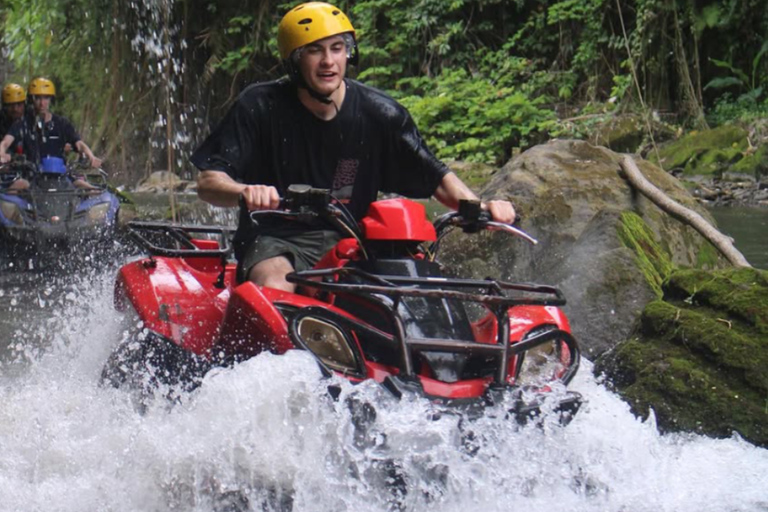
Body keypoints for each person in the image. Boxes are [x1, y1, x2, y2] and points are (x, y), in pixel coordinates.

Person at [192, 2, 515, 292]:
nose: (328, 61)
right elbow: (208, 182)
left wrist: (479, 207)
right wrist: (246, 191)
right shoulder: (259, 105)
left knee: (411, 289)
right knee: (276, 282)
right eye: (314, 51)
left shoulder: (381, 113)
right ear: (295, 60)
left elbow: (435, 177)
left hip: (355, 241)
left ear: (349, 53)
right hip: (274, 239)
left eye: (337, 48)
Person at [0, 77, 102, 190]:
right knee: (17, 186)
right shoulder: (22, 124)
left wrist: (91, 156)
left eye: (46, 98)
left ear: (51, 100)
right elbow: (5, 142)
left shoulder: (62, 123)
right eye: (37, 98)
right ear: (31, 100)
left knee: (90, 189)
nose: (42, 103)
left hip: (61, 177)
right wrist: (2, 154)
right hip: (31, 177)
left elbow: (79, 144)